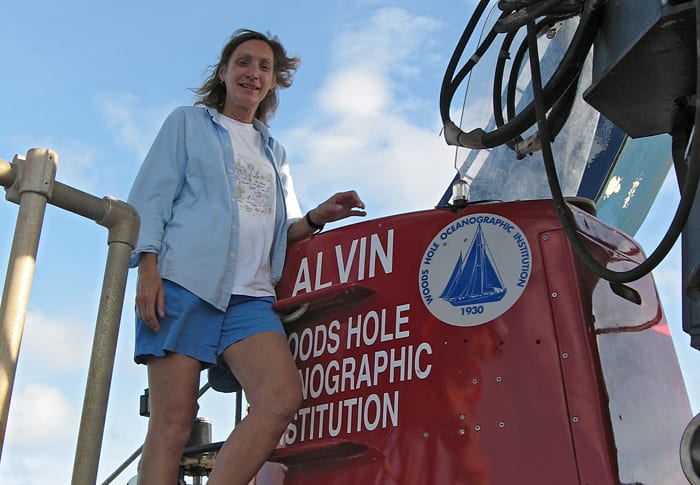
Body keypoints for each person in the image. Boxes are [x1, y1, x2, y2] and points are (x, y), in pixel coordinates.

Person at [127, 28, 366, 485]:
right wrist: (147, 268)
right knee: (172, 428)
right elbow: (149, 199)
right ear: (223, 72)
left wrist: (317, 216)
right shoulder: (187, 124)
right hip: (184, 284)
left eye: (263, 67)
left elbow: (284, 229)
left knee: (280, 398)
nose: (252, 73)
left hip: (250, 300)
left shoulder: (275, 153)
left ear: (274, 82)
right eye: (243, 62)